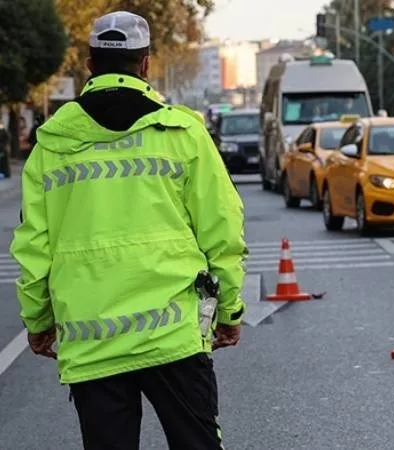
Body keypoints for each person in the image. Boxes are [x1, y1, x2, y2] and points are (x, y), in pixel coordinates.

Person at [10, 11, 247, 450]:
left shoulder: (51, 143)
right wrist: (229, 311)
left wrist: (39, 320)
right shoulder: (182, 133)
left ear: (89, 64)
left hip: (92, 343)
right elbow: (223, 230)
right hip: (173, 337)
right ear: (145, 64)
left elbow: (34, 246)